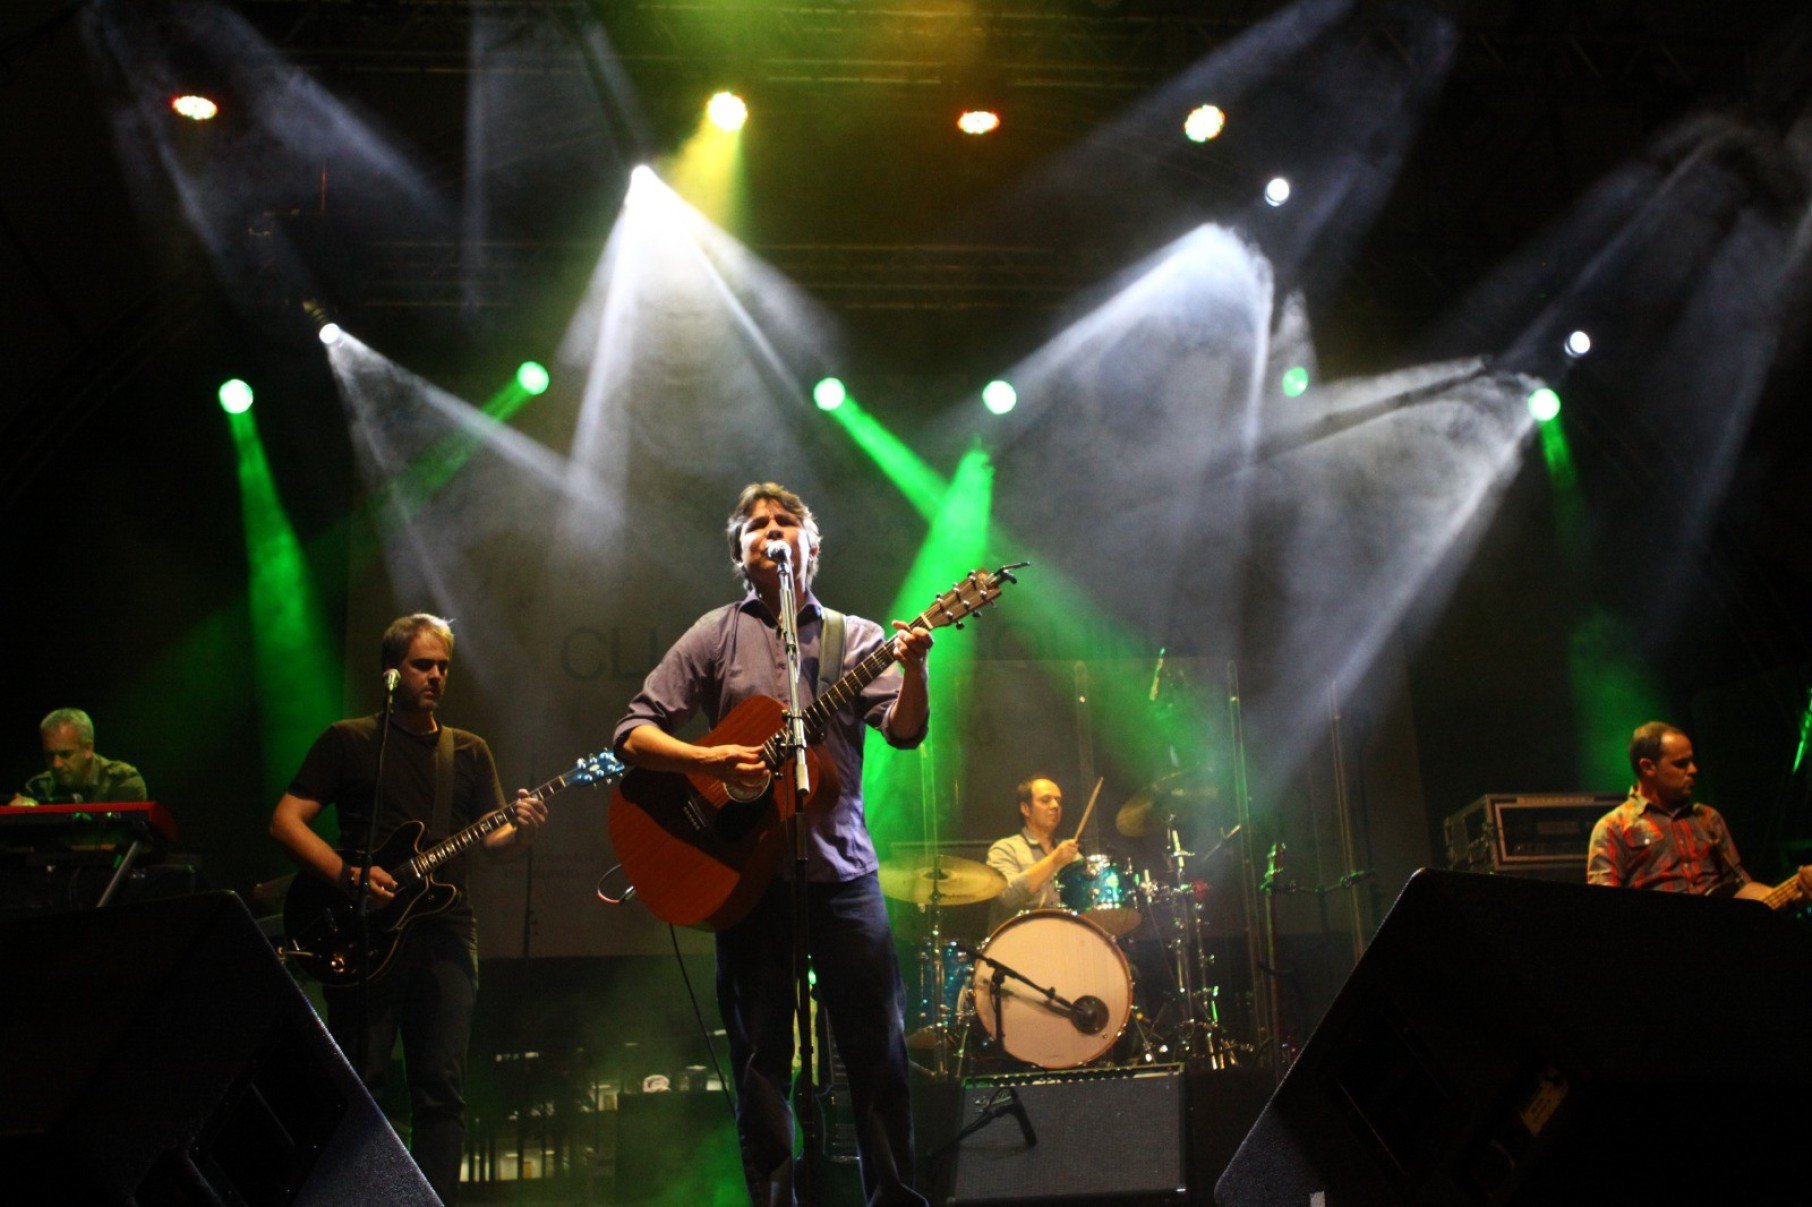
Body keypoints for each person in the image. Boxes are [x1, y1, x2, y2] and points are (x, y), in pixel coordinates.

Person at [614, 482, 934, 1206]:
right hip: (746, 880)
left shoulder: (855, 637)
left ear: (811, 547)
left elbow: (906, 730)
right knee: (762, 1059)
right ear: (740, 554)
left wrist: (914, 665)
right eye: (755, 525)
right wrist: (712, 761)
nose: (772, 531)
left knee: (877, 1051)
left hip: (842, 871)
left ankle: (893, 1196)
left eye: (786, 521)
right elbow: (634, 731)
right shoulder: (715, 632)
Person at [269, 613, 546, 1203]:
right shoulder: (348, 740)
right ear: (392, 672)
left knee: (441, 1089)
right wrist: (347, 875)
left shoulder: (467, 751)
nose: (436, 676)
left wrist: (519, 831)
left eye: (444, 666)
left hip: (445, 931)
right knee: (360, 1080)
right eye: (423, 665)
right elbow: (286, 822)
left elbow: (492, 844)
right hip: (362, 930)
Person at [1586, 721, 1812, 900]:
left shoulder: (1708, 818)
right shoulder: (1612, 827)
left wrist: (1793, 893)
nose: (1693, 770)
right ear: (1648, 767)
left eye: (1692, 761)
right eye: (1681, 764)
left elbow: (1741, 885)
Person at [984, 775, 1081, 929]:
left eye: (1058, 801)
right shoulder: (1004, 849)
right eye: (1045, 800)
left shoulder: (1073, 856)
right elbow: (1008, 896)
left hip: (1064, 939)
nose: (1055, 805)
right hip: (1017, 942)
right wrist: (1054, 860)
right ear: (1025, 809)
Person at [8, 707, 147, 806]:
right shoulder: (39, 787)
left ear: (88, 749)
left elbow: (117, 842)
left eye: (65, 754)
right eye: (49, 755)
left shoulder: (122, 781)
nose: (56, 764)